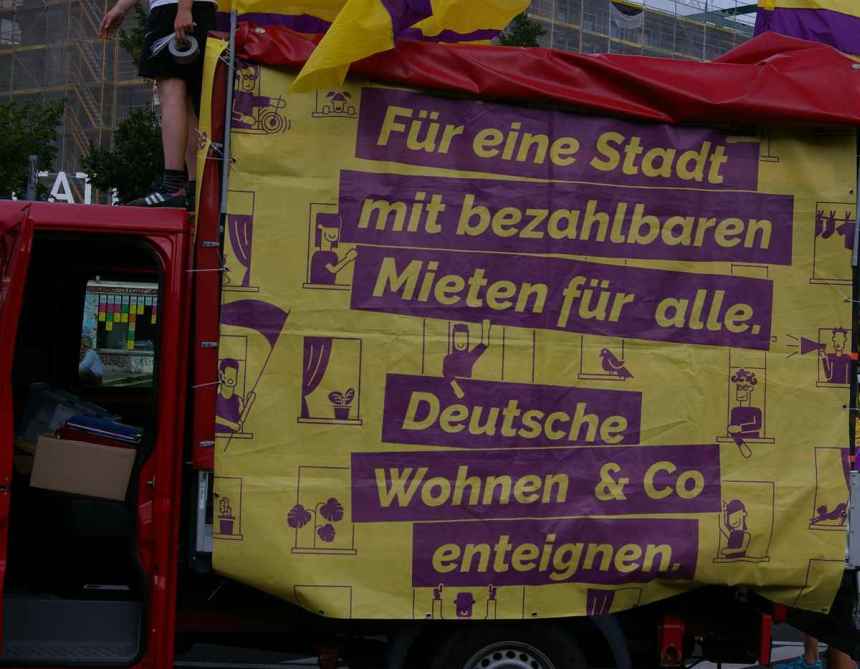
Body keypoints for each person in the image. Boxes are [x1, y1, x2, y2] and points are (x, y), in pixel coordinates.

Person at [99, 0, 216, 209]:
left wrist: (184, 9)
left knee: (172, 93)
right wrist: (121, 8)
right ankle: (194, 189)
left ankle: (172, 187)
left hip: (172, 10)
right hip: (199, 10)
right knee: (187, 103)